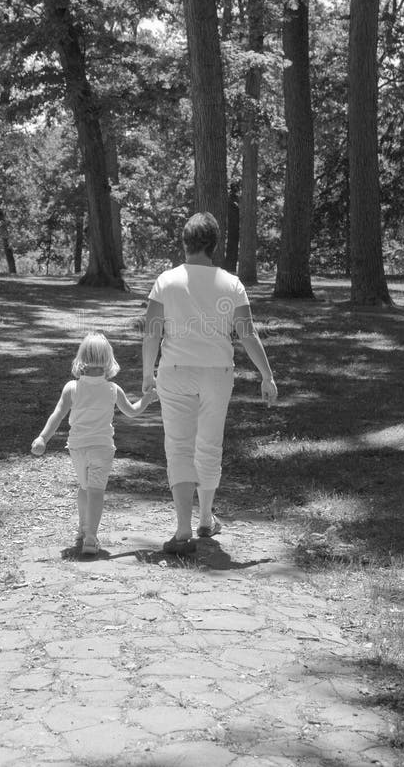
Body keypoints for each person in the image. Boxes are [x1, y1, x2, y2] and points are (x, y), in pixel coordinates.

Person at [142, 211, 278, 555]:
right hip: (218, 372)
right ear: (215, 245)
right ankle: (205, 519)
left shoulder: (166, 281)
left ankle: (182, 528)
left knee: (178, 446)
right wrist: (267, 375)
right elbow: (247, 334)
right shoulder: (231, 284)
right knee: (209, 445)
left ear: (184, 243)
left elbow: (152, 333)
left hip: (174, 369)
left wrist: (147, 373)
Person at [31, 332, 157, 556]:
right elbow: (132, 412)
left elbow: (57, 415)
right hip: (102, 448)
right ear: (109, 360)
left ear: (81, 359)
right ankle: (91, 536)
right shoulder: (112, 389)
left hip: (78, 447)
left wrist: (42, 438)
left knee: (84, 488)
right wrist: (147, 399)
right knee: (96, 491)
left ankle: (82, 529)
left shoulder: (72, 388)